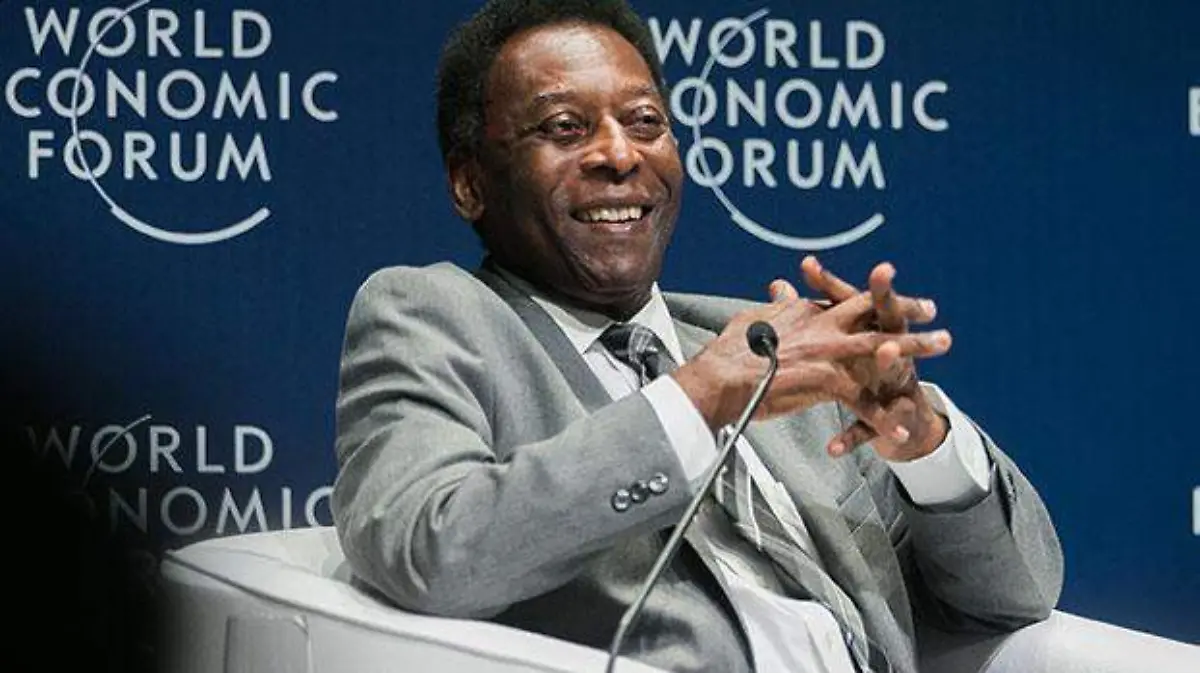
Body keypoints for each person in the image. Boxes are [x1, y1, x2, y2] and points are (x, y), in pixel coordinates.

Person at [332, 1, 1068, 671]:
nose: (620, 154)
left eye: (645, 122)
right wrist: (700, 399)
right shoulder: (433, 316)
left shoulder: (777, 347)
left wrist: (922, 442)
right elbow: (430, 550)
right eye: (564, 128)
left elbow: (1015, 598)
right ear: (470, 183)